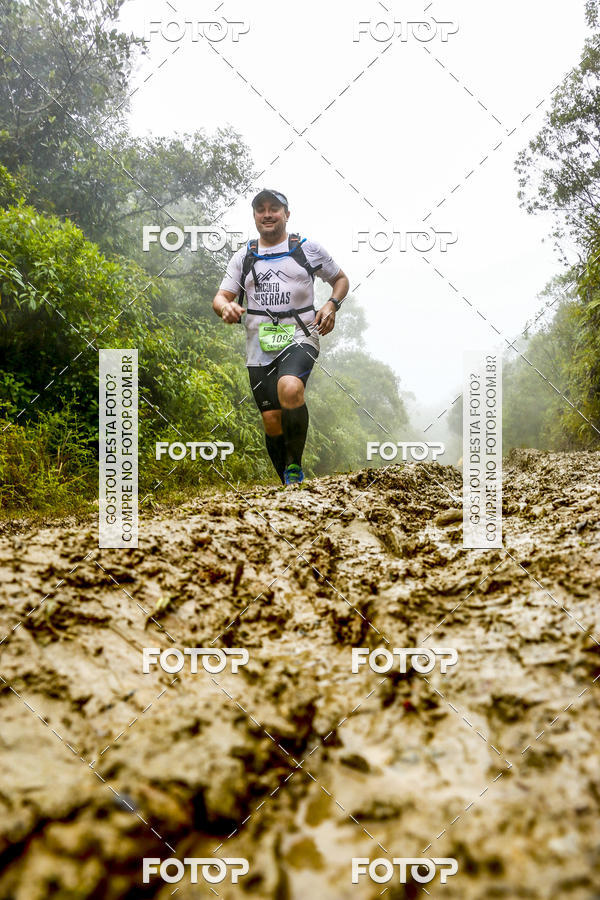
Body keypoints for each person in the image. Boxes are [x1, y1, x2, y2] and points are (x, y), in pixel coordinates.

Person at [212, 189, 349, 485]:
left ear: (287, 214)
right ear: (255, 216)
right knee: (271, 421)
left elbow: (340, 279)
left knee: (290, 389)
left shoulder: (307, 248)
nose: (267, 214)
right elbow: (221, 297)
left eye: (274, 208)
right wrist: (226, 307)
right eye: (261, 209)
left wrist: (331, 304)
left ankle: (294, 469)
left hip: (300, 334)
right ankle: (287, 487)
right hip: (259, 344)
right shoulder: (244, 256)